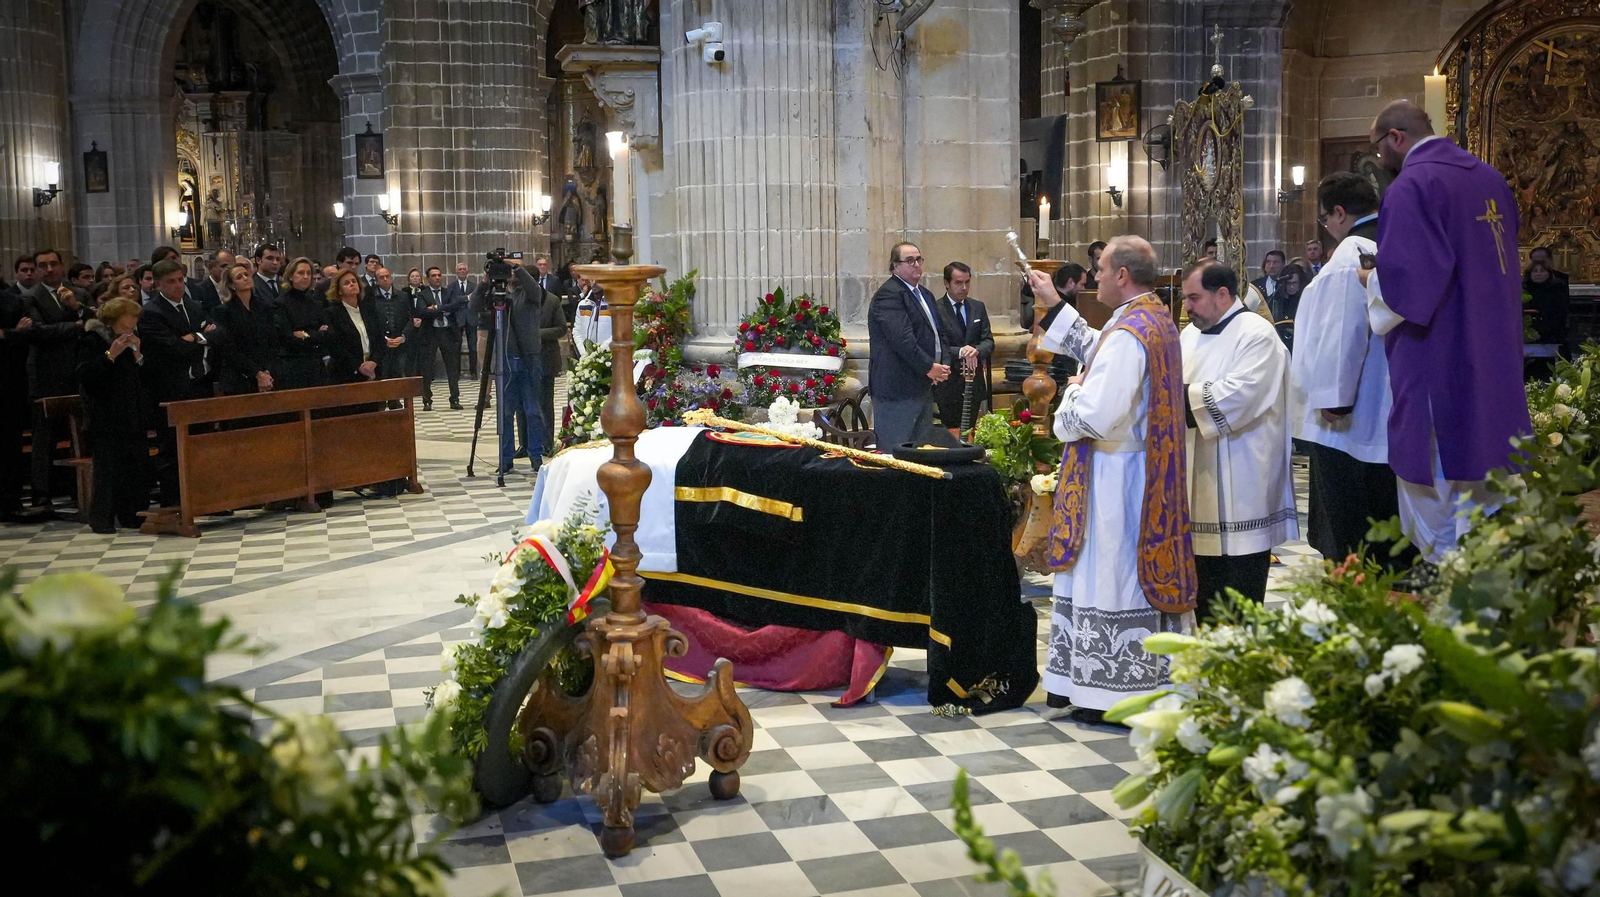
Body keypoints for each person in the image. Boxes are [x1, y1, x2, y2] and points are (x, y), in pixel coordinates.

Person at [1026, 235, 1196, 721]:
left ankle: (1109, 692)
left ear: (1122, 274)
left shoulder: (1129, 333)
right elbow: (1095, 346)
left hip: (1116, 479)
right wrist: (1053, 304)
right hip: (1138, 469)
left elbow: (1097, 415)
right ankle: (1103, 682)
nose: (1094, 275)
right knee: (1115, 574)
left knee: (1111, 575)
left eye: (1100, 268)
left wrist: (1071, 395)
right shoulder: (1150, 318)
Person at [1360, 100, 1532, 565]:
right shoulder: (1490, 178)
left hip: (1441, 358)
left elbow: (1410, 287)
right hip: (1493, 355)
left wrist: (1370, 280)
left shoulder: (1412, 186)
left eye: (1378, 149)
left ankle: (1451, 599)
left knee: (1439, 507)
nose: (1380, 160)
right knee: (1490, 480)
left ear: (1395, 137)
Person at [1292, 172, 1405, 565]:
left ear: (1338, 212)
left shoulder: (1351, 253)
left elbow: (1341, 334)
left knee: (1350, 530)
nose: (1327, 228)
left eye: (1325, 219)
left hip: (1350, 422)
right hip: (1387, 407)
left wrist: (1334, 401)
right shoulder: (1392, 241)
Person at [1178, 261, 1297, 620]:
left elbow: (1238, 397)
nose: (1186, 307)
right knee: (1203, 592)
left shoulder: (1257, 334)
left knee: (1238, 599)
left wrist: (1169, 396)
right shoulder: (1190, 335)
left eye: (1193, 298)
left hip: (1241, 485)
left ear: (1223, 294)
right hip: (1196, 483)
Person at [139, 259, 213, 506]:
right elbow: (172, 348)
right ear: (158, 284)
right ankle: (173, 502)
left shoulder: (194, 306)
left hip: (198, 384)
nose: (178, 285)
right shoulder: (151, 313)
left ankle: (203, 499)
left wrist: (192, 338)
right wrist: (200, 338)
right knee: (171, 448)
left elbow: (218, 334)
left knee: (199, 444)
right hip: (169, 388)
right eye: (171, 282)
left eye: (180, 279)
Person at [21, 249, 90, 508]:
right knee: (45, 436)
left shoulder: (79, 294)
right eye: (42, 265)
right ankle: (42, 493)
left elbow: (96, 322)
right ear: (37, 270)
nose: (48, 269)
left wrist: (77, 309)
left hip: (78, 372)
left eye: (53, 264)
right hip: (46, 375)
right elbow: (38, 332)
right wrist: (76, 326)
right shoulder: (29, 297)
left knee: (81, 433)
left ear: (62, 266)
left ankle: (79, 488)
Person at [75, 297, 151, 533]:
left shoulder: (131, 341)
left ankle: (133, 514)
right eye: (124, 327)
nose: (129, 331)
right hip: (105, 415)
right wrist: (111, 354)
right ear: (110, 323)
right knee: (108, 469)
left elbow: (144, 377)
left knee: (137, 466)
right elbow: (85, 375)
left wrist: (138, 354)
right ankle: (102, 519)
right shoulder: (92, 340)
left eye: (132, 327)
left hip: (132, 412)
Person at [470, 260, 548, 483]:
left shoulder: (532, 295)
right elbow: (474, 307)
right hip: (505, 360)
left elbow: (534, 288)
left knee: (532, 410)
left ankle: (535, 455)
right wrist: (485, 282)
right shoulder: (498, 295)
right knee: (505, 412)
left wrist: (518, 268)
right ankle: (505, 459)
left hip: (529, 358)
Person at [868, 242, 948, 448]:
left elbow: (939, 334)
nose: (916, 265)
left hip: (922, 385)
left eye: (919, 260)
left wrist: (943, 365)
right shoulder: (889, 295)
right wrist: (930, 367)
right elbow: (903, 340)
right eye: (909, 260)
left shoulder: (925, 295)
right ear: (895, 266)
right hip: (897, 389)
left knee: (921, 453)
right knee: (897, 453)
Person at [933, 261, 993, 430]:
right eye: (958, 283)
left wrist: (976, 351)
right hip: (949, 382)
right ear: (947, 283)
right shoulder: (936, 309)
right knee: (952, 430)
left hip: (974, 381)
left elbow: (988, 340)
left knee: (970, 430)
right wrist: (961, 352)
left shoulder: (977, 307)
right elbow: (936, 344)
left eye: (967, 282)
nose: (964, 287)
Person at [211, 262, 279, 396]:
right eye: (239, 277)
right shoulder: (223, 312)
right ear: (231, 285)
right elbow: (229, 349)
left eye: (246, 274)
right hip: (238, 378)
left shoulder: (264, 308)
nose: (245, 278)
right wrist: (257, 373)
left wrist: (265, 372)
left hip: (267, 375)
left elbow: (273, 342)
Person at [0, 288, 35, 518]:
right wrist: (12, 334)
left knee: (9, 444)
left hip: (8, 384)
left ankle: (10, 501)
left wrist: (7, 335)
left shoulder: (11, 301)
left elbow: (28, 334)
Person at [274, 257, 331, 390]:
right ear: (291, 276)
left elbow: (327, 334)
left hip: (316, 364)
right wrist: (316, 334)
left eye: (308, 273)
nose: (305, 277)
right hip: (292, 365)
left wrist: (304, 334)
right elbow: (288, 338)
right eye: (300, 273)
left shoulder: (316, 303)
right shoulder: (281, 303)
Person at [413, 266, 463, 409]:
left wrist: (435, 308)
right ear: (428, 278)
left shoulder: (449, 292)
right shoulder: (423, 294)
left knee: (452, 368)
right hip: (430, 333)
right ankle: (427, 400)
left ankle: (454, 399)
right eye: (433, 275)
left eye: (439, 275)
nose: (437, 278)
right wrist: (442, 308)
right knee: (427, 368)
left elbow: (455, 306)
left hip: (448, 332)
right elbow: (421, 311)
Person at [324, 270, 381, 384]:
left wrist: (373, 361)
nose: (352, 284)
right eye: (346, 283)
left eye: (354, 281)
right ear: (339, 290)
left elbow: (379, 340)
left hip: (373, 370)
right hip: (346, 373)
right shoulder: (332, 313)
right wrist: (359, 366)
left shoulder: (368, 310)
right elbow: (335, 346)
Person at [534, 263, 568, 451]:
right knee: (525, 406)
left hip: (546, 358)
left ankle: (546, 442)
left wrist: (538, 333)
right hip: (524, 359)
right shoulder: (517, 299)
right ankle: (527, 443)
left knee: (546, 403)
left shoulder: (552, 301)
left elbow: (561, 328)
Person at [1524, 262, 1571, 378]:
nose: (1538, 274)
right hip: (1527, 334)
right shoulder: (1523, 290)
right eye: (1535, 271)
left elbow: (1560, 315)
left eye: (1542, 271)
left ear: (1549, 274)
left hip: (1551, 334)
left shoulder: (1557, 290)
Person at [449, 262, 479, 379]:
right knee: (456, 346)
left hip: (471, 318)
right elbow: (453, 299)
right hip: (457, 318)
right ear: (456, 272)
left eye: (464, 269)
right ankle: (456, 372)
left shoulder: (473, 285)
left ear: (467, 272)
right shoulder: (452, 286)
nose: (462, 271)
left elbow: (476, 298)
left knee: (473, 347)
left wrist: (466, 299)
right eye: (460, 269)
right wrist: (467, 298)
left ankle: (473, 371)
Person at [572, 275, 610, 358]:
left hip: (608, 355)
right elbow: (577, 331)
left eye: (598, 279)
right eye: (592, 279)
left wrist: (602, 350)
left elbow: (619, 332)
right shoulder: (583, 304)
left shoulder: (613, 305)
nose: (594, 282)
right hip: (587, 356)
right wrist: (584, 352)